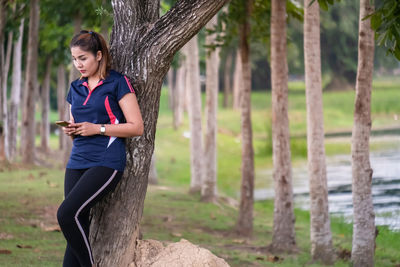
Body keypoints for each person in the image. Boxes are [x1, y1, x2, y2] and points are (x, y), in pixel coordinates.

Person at [57, 30, 144, 267]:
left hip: (106, 161)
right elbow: (78, 123)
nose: (78, 64)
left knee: (65, 214)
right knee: (76, 222)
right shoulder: (75, 87)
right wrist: (73, 130)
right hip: (77, 160)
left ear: (98, 55)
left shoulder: (118, 82)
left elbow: (136, 127)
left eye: (83, 58)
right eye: (75, 59)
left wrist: (98, 129)